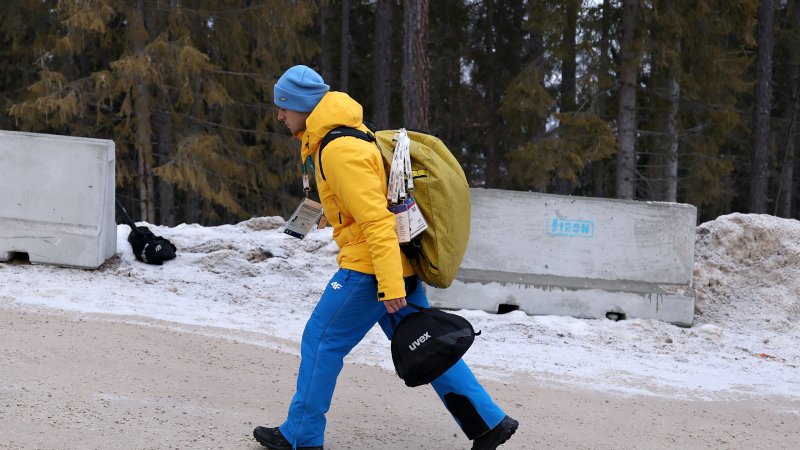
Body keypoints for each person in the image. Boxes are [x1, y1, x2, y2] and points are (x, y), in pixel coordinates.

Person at [253, 65, 518, 450]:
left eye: (284, 107)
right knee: (428, 344)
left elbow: (378, 221)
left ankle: (301, 437)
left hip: (371, 270)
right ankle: (489, 423)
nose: (279, 115)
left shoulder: (339, 149)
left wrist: (390, 285)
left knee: (320, 340)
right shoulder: (338, 138)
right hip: (392, 265)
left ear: (303, 107)